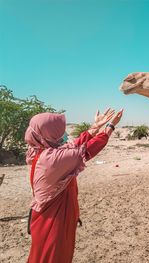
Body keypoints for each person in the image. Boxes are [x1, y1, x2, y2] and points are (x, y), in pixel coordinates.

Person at [25, 108, 123, 263]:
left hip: (48, 218)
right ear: (48, 134)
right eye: (58, 132)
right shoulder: (51, 160)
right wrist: (110, 126)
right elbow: (88, 149)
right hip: (53, 223)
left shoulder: (40, 150)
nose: (63, 135)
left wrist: (95, 126)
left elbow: (74, 144)